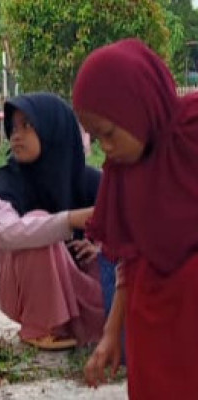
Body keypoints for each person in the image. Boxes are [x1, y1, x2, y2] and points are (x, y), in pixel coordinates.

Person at [72, 38, 198, 399]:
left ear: (137, 107)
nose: (106, 148)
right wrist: (112, 333)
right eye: (96, 139)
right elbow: (128, 256)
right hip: (153, 318)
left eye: (109, 133)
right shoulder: (122, 172)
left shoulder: (193, 134)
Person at [0, 93, 106, 350]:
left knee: (104, 263)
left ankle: (83, 326)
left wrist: (101, 249)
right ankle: (39, 326)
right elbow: (8, 234)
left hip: (72, 273)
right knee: (37, 224)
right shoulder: (5, 181)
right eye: (13, 127)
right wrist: (69, 221)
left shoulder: (90, 180)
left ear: (53, 130)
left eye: (27, 125)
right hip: (15, 283)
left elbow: (126, 226)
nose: (16, 135)